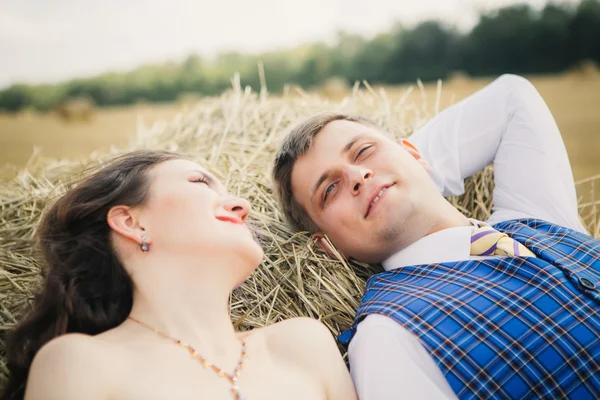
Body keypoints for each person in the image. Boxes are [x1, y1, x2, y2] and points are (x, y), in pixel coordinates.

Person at [273, 74, 600, 399]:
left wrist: (409, 173)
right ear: (327, 245)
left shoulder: (535, 217)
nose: (358, 176)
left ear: (415, 153)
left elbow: (512, 97)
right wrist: (393, 179)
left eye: (364, 151)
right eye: (330, 189)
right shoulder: (389, 338)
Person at [1, 150, 357, 400]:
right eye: (201, 182)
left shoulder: (302, 345)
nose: (241, 205)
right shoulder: (81, 363)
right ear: (132, 222)